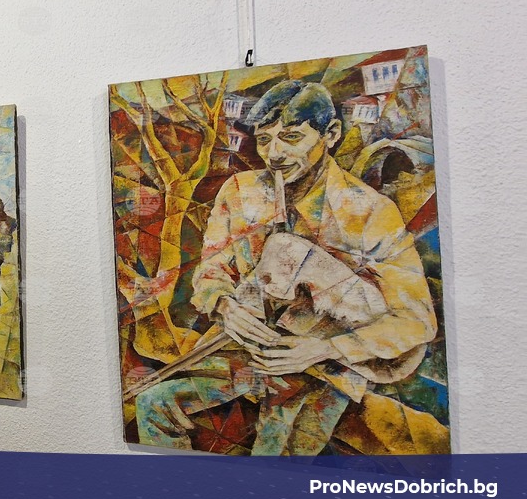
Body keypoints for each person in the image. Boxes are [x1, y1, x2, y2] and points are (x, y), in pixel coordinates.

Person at [134, 80, 436, 456]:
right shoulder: (239, 191)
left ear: (331, 134)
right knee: (153, 404)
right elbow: (211, 269)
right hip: (250, 346)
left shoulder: (371, 210)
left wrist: (323, 349)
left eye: (291, 137)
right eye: (264, 140)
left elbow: (416, 321)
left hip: (325, 363)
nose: (274, 154)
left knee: (274, 459)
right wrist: (224, 305)